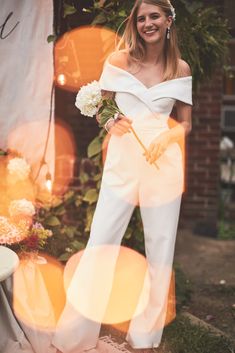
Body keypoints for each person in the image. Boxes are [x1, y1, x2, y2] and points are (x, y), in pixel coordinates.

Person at [52, 0, 192, 352]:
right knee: (101, 242)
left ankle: (145, 335)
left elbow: (186, 123)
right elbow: (101, 106)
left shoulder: (180, 67)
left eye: (154, 16)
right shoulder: (119, 61)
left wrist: (168, 135)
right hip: (123, 162)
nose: (148, 23)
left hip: (164, 164)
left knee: (160, 249)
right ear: (135, 23)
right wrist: (111, 121)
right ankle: (76, 334)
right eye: (141, 17)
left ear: (168, 19)